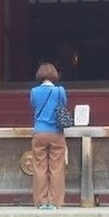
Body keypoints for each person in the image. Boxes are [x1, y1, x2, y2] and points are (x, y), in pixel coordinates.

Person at [29, 62, 67, 209]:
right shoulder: (60, 91)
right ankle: (55, 202)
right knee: (57, 168)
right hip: (56, 132)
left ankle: (41, 201)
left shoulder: (34, 92)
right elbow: (63, 105)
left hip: (39, 131)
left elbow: (34, 105)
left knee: (40, 168)